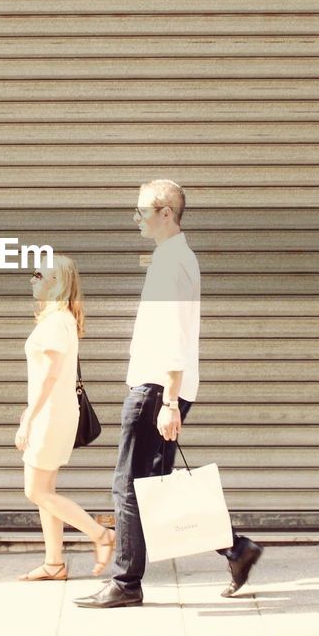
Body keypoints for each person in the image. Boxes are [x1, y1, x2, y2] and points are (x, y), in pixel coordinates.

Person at [75, 180, 262, 608]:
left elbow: (174, 334)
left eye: (141, 210)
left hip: (156, 389)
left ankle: (126, 582)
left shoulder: (172, 261)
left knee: (128, 486)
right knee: (152, 486)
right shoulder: (174, 257)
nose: (135, 218)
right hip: (161, 386)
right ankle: (235, 548)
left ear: (165, 212)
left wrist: (170, 401)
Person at [15, 253, 116, 581]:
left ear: (56, 282)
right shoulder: (58, 318)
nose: (32, 280)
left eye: (38, 275)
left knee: (36, 490)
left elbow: (51, 374)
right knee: (47, 488)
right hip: (51, 413)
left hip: (50, 416)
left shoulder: (58, 320)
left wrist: (29, 417)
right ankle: (54, 563)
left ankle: (101, 535)